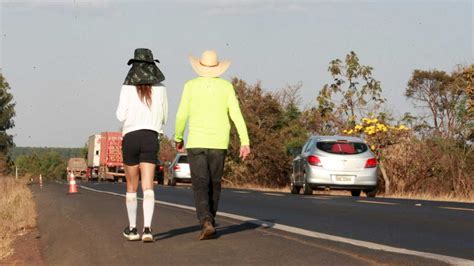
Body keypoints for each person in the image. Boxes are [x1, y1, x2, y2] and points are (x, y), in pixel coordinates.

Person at [174, 50, 250, 240]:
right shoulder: (226, 87)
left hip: (196, 142)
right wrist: (245, 141)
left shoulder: (190, 86)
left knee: (200, 184)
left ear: (199, 66)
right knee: (214, 184)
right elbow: (236, 114)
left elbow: (181, 114)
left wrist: (178, 137)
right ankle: (210, 220)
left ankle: (206, 221)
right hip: (218, 142)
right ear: (218, 68)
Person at [116, 48, 168, 242]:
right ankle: (147, 229)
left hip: (130, 137)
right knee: (148, 186)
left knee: (131, 186)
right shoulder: (161, 88)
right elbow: (164, 117)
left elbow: (120, 116)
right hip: (150, 137)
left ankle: (132, 229)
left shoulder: (126, 88)